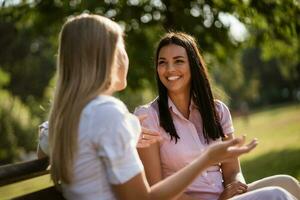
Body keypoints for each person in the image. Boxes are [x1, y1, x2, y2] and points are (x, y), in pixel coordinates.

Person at [38, 13, 266, 200]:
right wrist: (205, 160)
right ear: (107, 59)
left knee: (282, 189)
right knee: (278, 195)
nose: (126, 57)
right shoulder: (107, 114)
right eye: (121, 48)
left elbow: (45, 142)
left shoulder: (64, 119)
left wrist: (124, 133)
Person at [134, 32, 300, 200]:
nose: (170, 69)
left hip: (224, 197)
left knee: (289, 184)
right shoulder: (148, 116)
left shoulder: (218, 110)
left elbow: (233, 171)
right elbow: (155, 186)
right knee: (277, 195)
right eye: (162, 62)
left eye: (178, 61)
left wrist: (233, 187)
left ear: (194, 65)